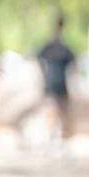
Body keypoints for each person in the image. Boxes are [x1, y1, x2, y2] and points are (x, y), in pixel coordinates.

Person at [36, 15, 76, 145]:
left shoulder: (50, 46)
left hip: (52, 83)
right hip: (59, 84)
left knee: (54, 111)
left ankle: (54, 137)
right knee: (58, 112)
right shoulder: (64, 48)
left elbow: (39, 61)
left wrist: (43, 75)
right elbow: (74, 68)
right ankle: (57, 138)